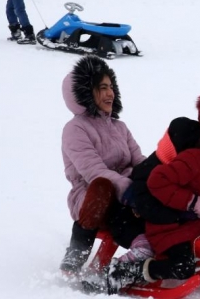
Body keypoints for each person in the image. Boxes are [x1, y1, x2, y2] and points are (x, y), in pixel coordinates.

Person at [98, 95, 200, 294]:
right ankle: (126, 271)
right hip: (171, 227)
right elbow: (158, 181)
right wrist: (192, 202)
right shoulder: (195, 159)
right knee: (182, 267)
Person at [58, 55, 147, 277]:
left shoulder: (120, 127)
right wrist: (130, 190)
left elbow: (139, 161)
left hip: (127, 195)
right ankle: (76, 253)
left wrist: (158, 177)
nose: (110, 93)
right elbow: (93, 170)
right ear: (86, 92)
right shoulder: (75, 129)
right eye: (102, 88)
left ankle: (149, 255)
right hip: (90, 197)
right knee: (103, 186)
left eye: (110, 87)